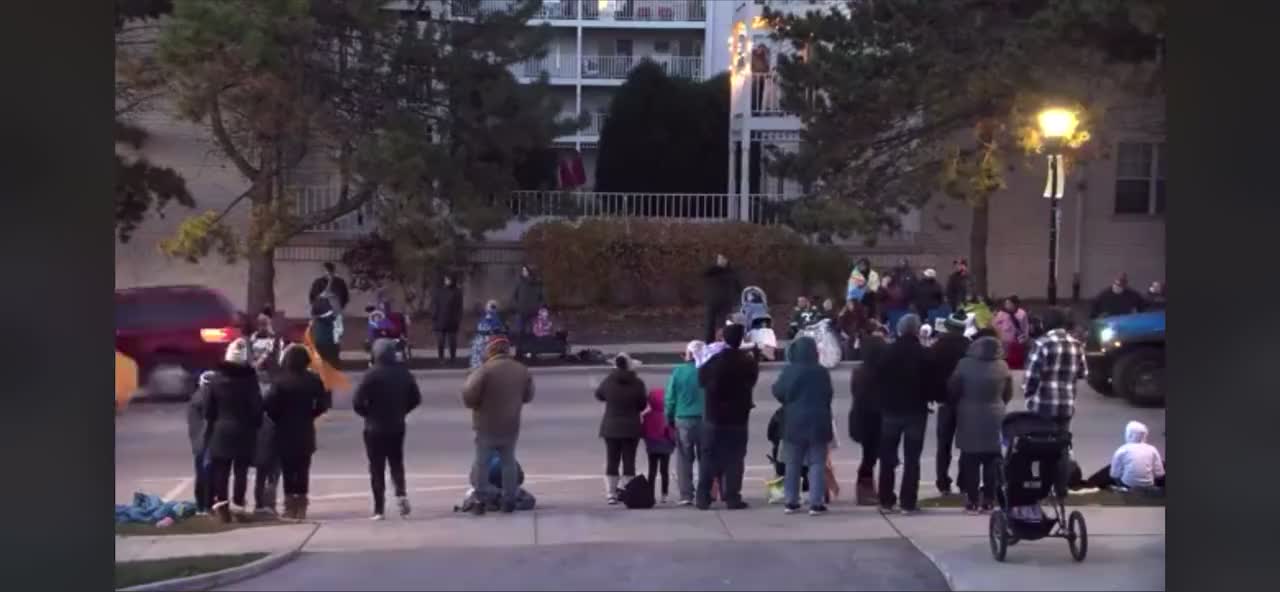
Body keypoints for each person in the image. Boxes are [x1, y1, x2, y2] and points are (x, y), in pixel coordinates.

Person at [461, 335, 535, 514]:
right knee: (508, 461)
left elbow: (468, 396)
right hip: (510, 424)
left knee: (482, 463)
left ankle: (480, 499)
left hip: (486, 423)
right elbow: (528, 396)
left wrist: (478, 404)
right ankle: (509, 499)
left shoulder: (484, 371)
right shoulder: (521, 370)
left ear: (490, 350)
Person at [352, 338, 423, 520]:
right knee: (396, 462)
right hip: (396, 424)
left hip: (374, 426)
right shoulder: (404, 373)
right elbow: (416, 398)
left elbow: (357, 401)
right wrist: (402, 410)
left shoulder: (371, 375)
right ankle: (401, 494)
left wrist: (367, 414)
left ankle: (379, 508)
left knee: (376, 467)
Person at [873, 314, 933, 514]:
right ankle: (908, 501)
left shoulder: (887, 352)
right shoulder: (923, 354)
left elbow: (877, 379)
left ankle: (886, 499)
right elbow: (930, 382)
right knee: (912, 458)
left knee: (888, 457)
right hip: (916, 410)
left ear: (899, 329)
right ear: (917, 330)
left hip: (891, 409)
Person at [264, 344, 331, 520]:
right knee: (303, 469)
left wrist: (278, 417)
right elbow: (323, 403)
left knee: (287, 469)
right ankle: (301, 504)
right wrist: (311, 414)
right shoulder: (314, 380)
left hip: (284, 429)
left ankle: (289, 504)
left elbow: (269, 405)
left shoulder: (280, 381)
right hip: (305, 428)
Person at [947, 336, 1013, 513]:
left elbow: (953, 388)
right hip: (995, 415)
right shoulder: (1002, 366)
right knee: (992, 460)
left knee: (970, 459)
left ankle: (972, 499)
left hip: (969, 413)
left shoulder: (964, 364)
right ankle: (989, 499)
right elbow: (1008, 393)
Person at [696, 324, 758, 510]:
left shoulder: (714, 361)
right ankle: (732, 496)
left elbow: (701, 380)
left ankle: (703, 497)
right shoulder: (748, 362)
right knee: (735, 457)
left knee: (708, 457)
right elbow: (751, 381)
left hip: (714, 416)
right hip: (738, 417)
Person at [772, 337, 835, 515]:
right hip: (818, 420)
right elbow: (828, 394)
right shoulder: (822, 372)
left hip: (794, 421)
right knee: (817, 462)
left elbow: (778, 391)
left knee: (793, 463)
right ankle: (816, 502)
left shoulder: (789, 371)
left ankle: (791, 501)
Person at [204, 338, 264, 523]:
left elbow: (208, 410)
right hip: (244, 431)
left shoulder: (214, 380)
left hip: (221, 430)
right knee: (241, 471)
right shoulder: (250, 381)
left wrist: (213, 423)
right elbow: (257, 408)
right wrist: (256, 425)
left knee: (221, 470)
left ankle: (222, 507)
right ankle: (238, 506)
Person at [1022, 308, 1088, 433]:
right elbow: (1083, 373)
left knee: (1042, 445)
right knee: (1061, 443)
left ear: (1045, 323)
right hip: (1066, 405)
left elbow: (1030, 378)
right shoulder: (1077, 345)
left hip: (1042, 405)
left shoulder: (1041, 344)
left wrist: (1029, 398)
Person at [595, 353, 648, 505]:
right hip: (631, 427)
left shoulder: (609, 381)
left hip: (610, 426)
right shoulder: (637, 383)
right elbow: (642, 405)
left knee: (612, 459)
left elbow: (599, 395)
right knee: (629, 460)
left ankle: (611, 493)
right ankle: (628, 490)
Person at [930, 313, 972, 496]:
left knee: (943, 444)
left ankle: (942, 481)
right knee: (966, 444)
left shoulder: (938, 346)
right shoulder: (969, 347)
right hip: (966, 400)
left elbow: (929, 371)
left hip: (945, 401)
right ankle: (964, 481)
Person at [848, 329, 888, 505]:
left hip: (862, 417)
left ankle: (865, 487)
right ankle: (869, 488)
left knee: (869, 455)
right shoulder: (883, 372)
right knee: (878, 455)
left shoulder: (859, 372)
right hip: (877, 418)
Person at [665, 341, 706, 506]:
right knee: (706, 458)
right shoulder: (707, 371)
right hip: (705, 419)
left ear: (688, 355)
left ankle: (686, 494)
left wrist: (669, 418)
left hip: (683, 419)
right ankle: (705, 492)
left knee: (683, 458)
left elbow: (670, 399)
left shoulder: (678, 372)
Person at [1078, 420, 1166, 493]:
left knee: (1111, 468)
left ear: (1129, 435)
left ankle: (1092, 483)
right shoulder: (1152, 449)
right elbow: (1160, 474)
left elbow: (1114, 474)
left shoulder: (1122, 450)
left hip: (1126, 484)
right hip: (1149, 485)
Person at [642, 387, 676, 504]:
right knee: (664, 471)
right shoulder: (667, 416)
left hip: (652, 446)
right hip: (665, 447)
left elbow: (643, 431)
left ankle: (650, 493)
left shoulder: (647, 415)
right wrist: (673, 443)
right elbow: (671, 432)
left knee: (652, 471)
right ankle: (664, 494)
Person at [187, 372, 213, 515]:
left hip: (199, 442)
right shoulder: (203, 398)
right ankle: (205, 505)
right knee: (206, 474)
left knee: (203, 474)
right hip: (205, 441)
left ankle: (202, 505)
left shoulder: (196, 397)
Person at [702, 254, 743, 343]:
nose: (722, 261)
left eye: (723, 259)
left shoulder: (731, 272)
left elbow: (738, 287)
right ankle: (709, 342)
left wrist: (737, 300)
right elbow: (704, 274)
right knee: (710, 324)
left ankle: (722, 341)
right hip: (713, 301)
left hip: (725, 302)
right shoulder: (713, 271)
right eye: (720, 259)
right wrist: (717, 266)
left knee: (723, 323)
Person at [431, 274, 464, 363]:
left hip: (452, 321)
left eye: (448, 279)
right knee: (440, 341)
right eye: (446, 279)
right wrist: (434, 316)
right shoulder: (439, 291)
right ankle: (441, 358)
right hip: (440, 320)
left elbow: (459, 307)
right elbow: (435, 304)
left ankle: (453, 358)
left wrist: (458, 318)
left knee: (452, 341)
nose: (447, 281)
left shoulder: (457, 292)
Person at [992, 296, 1031, 370]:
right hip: (1004, 341)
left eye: (1009, 303)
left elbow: (1025, 326)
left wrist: (1025, 338)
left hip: (1017, 341)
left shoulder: (1022, 313)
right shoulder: (1001, 313)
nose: (1007, 305)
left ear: (1015, 304)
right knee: (1004, 360)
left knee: (1017, 361)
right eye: (1006, 303)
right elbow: (995, 325)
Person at [470, 300, 507, 369]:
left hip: (485, 339)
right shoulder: (495, 317)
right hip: (488, 339)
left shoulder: (491, 317)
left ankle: (479, 367)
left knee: (480, 356)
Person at [511, 265, 546, 338]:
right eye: (523, 270)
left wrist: (537, 307)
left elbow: (542, 298)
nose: (523, 272)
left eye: (525, 271)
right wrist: (517, 306)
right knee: (519, 331)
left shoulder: (538, 283)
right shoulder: (520, 282)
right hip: (521, 311)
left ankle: (530, 347)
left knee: (531, 332)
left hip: (533, 312)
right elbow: (514, 295)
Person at [309, 297, 343, 369]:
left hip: (319, 343)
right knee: (333, 365)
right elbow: (339, 332)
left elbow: (311, 330)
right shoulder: (335, 317)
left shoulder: (315, 319)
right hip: (332, 344)